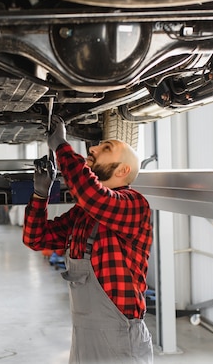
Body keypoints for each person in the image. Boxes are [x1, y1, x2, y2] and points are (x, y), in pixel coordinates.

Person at [23, 115, 154, 363]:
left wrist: (62, 145)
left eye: (106, 148)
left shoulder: (134, 205)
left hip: (119, 340)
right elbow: (36, 239)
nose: (92, 148)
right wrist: (40, 195)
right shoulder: (83, 214)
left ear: (123, 170)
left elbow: (90, 193)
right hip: (83, 339)